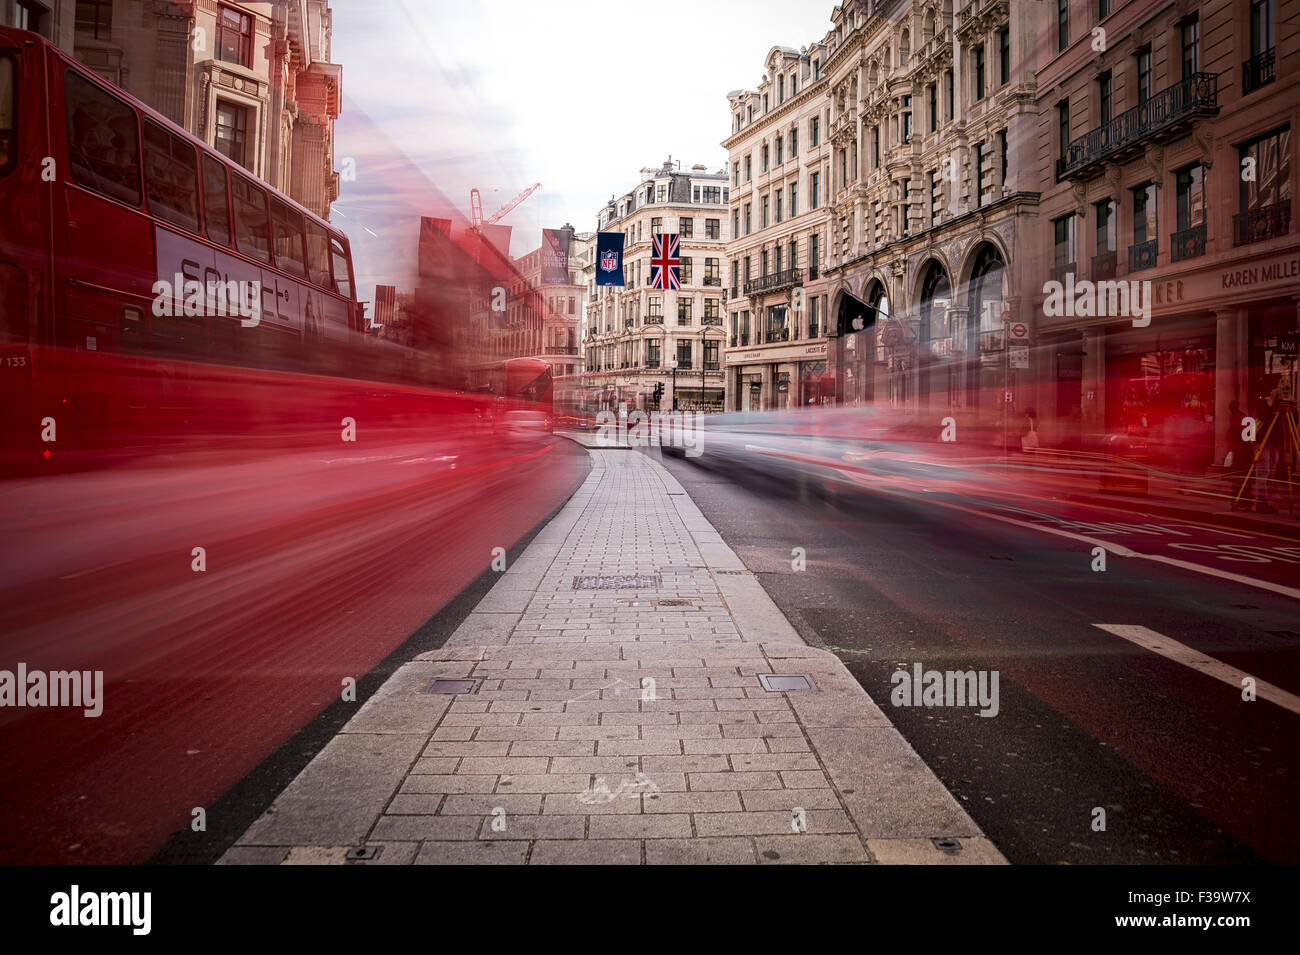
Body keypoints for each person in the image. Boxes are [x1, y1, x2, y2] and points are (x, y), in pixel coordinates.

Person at [1251, 388, 1284, 514]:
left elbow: (1294, 421)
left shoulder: (1282, 407)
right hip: (1262, 442)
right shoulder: (1265, 403)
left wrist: (1293, 406)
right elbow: (1263, 416)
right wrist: (1271, 402)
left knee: (1270, 475)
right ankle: (1261, 503)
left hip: (1274, 443)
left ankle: (1267, 501)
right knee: (1263, 472)